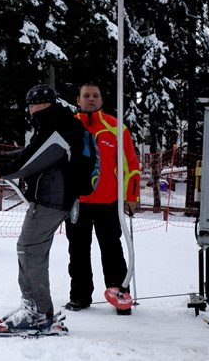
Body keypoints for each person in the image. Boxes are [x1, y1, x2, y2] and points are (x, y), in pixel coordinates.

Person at [0, 84, 84, 333]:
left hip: (51, 200)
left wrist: (5, 170)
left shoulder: (56, 125)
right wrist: (2, 159)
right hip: (53, 198)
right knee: (28, 249)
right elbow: (35, 152)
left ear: (45, 103)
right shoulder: (57, 123)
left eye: (34, 104)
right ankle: (32, 304)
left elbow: (35, 158)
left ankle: (38, 312)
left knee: (30, 250)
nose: (31, 109)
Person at [64, 82, 140, 315]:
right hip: (78, 202)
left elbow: (131, 165)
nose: (90, 99)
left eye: (95, 95)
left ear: (102, 100)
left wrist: (131, 195)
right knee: (78, 251)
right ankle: (80, 295)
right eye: (85, 95)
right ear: (78, 100)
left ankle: (119, 295)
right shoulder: (68, 127)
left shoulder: (117, 128)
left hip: (108, 202)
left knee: (112, 250)